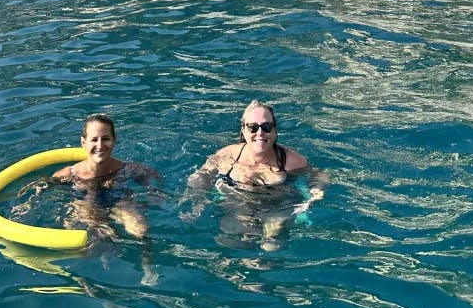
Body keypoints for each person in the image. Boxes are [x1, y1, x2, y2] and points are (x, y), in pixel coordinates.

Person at [181, 101, 327, 250]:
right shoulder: (228, 156)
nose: (260, 133)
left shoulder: (289, 161)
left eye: (267, 127)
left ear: (275, 131)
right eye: (253, 127)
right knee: (229, 241)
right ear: (244, 130)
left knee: (272, 245)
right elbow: (202, 174)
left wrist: (316, 190)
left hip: (276, 206)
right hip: (238, 206)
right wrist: (197, 197)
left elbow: (321, 174)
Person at [50, 114, 161, 284]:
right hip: (84, 198)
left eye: (106, 139)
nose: (100, 145)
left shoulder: (126, 168)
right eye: (94, 139)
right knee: (88, 232)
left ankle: (148, 265)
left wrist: (154, 193)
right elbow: (42, 186)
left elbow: (153, 177)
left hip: (118, 199)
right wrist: (27, 203)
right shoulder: (69, 174)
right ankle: (100, 262)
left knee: (140, 229)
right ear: (83, 143)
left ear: (114, 140)